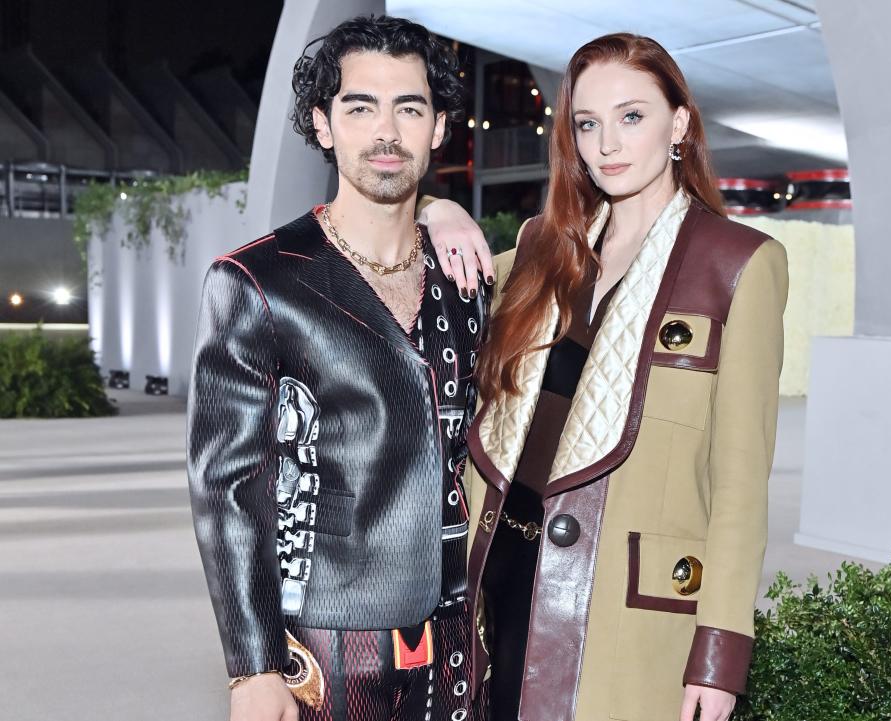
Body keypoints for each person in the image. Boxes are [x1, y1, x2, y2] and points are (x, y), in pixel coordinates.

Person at [463, 33, 789, 721]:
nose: (606, 142)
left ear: (678, 123)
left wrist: (718, 653)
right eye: (587, 123)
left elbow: (738, 484)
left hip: (624, 604)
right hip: (498, 574)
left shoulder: (736, 265)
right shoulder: (538, 246)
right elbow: (427, 283)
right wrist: (434, 210)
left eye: (631, 116)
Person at [187, 15, 493, 721]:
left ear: (438, 128)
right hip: (325, 644)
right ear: (323, 125)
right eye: (359, 107)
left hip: (460, 637)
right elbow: (227, 489)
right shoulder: (257, 281)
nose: (385, 132)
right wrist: (252, 667)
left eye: (408, 108)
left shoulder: (469, 278)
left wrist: (444, 210)